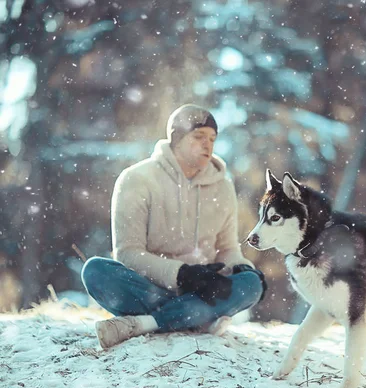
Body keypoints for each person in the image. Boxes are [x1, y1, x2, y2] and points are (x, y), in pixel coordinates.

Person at [81, 104, 267, 349]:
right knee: (95, 271)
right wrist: (182, 275)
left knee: (251, 284)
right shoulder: (136, 179)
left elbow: (227, 249)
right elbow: (128, 253)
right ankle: (197, 318)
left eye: (212, 138)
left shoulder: (223, 186)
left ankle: (146, 322)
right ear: (176, 139)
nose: (207, 145)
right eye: (199, 136)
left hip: (206, 289)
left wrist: (243, 267)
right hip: (150, 288)